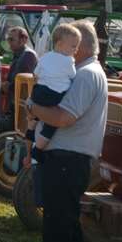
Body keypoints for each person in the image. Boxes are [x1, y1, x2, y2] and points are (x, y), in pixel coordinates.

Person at [25, 20, 107, 242]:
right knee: (70, 234)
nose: (67, 52)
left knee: (61, 237)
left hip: (66, 161)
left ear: (80, 46)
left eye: (71, 46)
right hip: (70, 161)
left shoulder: (85, 75)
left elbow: (63, 117)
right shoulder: (88, 73)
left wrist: (33, 107)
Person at [31, 25, 82, 154]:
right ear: (59, 44)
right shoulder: (69, 61)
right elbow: (73, 77)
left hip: (38, 92)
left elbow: (35, 74)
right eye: (73, 46)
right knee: (52, 123)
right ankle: (38, 149)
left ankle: (31, 125)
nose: (76, 50)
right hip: (54, 95)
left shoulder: (44, 57)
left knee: (36, 106)